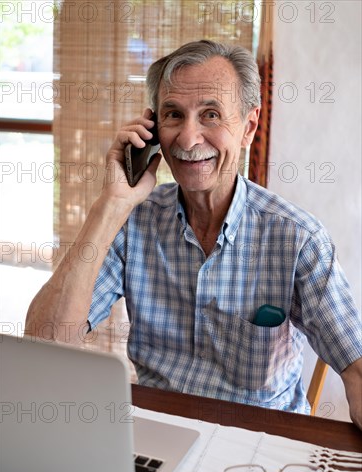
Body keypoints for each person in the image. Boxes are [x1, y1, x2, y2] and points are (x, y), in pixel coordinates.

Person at [26, 40, 362, 428]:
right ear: (153, 129)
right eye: (173, 115)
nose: (187, 139)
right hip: (157, 433)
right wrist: (110, 204)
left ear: (248, 127)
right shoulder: (133, 221)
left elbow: (357, 371)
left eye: (211, 115)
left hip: (258, 444)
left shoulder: (298, 239)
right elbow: (43, 347)